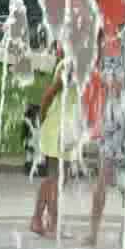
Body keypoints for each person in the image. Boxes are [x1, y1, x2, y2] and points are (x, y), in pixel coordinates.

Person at [83, 27, 125, 246]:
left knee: (111, 179)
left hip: (120, 123)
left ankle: (97, 233)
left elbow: (114, 86)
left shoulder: (115, 53)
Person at [29, 52, 81, 238]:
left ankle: (38, 220)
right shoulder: (69, 65)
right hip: (59, 128)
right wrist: (42, 119)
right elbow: (49, 94)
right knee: (57, 179)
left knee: (55, 178)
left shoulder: (75, 63)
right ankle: (51, 224)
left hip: (64, 127)